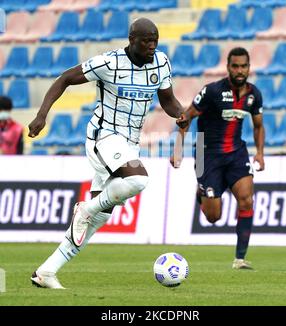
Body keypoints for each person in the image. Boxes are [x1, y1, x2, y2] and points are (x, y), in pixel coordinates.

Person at [28, 18, 183, 289]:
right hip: (104, 136)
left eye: (155, 40)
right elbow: (64, 78)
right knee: (137, 180)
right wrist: (42, 116)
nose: (152, 45)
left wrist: (182, 114)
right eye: (146, 40)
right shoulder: (109, 63)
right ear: (132, 39)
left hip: (130, 141)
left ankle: (46, 271)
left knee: (100, 216)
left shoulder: (161, 62)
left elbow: (167, 100)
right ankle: (84, 209)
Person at [171, 47, 265, 270]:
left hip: (236, 153)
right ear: (228, 68)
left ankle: (240, 259)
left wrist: (260, 153)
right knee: (213, 216)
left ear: (249, 68)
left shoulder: (254, 95)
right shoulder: (212, 91)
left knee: (247, 199)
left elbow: (258, 126)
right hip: (207, 155)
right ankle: (201, 193)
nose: (240, 70)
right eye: (235, 66)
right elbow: (187, 117)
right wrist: (178, 149)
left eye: (244, 66)